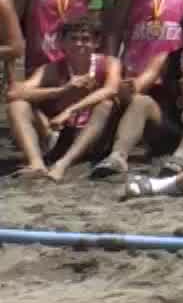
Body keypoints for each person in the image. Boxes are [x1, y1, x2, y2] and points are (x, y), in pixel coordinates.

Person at [91, 6, 183, 179]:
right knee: (141, 101)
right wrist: (129, 87)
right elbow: (142, 82)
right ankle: (117, 157)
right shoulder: (165, 58)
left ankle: (180, 157)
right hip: (170, 125)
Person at [7, 16, 122, 180]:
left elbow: (111, 89)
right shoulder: (51, 69)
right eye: (73, 39)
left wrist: (70, 110)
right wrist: (62, 90)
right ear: (62, 43)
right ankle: (36, 164)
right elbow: (14, 93)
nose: (79, 44)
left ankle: (63, 164)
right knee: (17, 105)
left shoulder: (109, 63)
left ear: (96, 43)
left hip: (96, 134)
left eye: (85, 39)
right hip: (62, 133)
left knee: (106, 104)